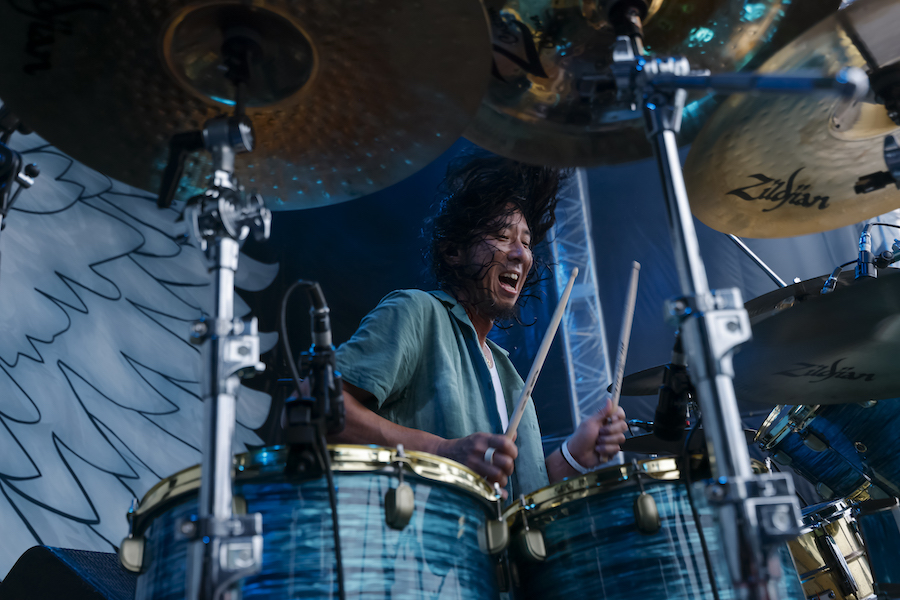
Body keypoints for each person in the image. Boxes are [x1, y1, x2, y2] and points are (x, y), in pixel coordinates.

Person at [330, 153, 627, 498]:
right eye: (502, 235)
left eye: (526, 242)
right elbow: (316, 408)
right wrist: (443, 452)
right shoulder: (417, 312)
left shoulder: (509, 375)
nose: (521, 254)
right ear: (453, 251)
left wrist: (572, 457)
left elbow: (513, 503)